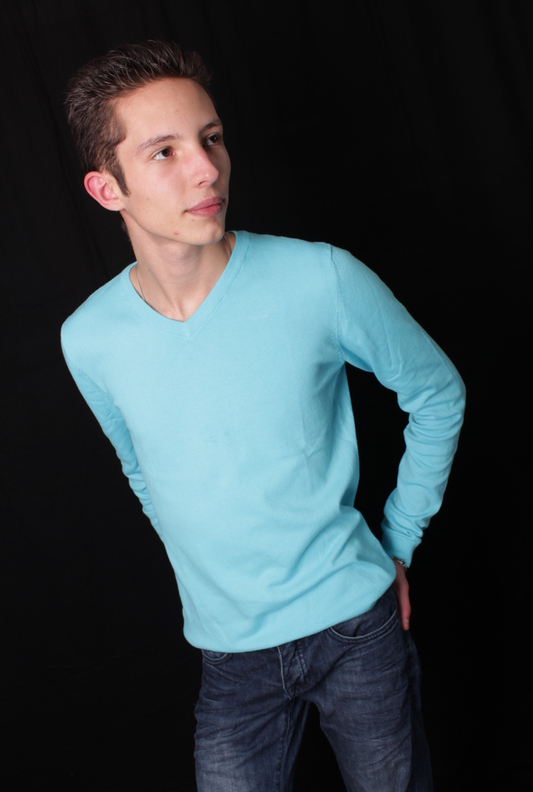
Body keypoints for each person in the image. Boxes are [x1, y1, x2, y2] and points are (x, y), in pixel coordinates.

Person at [61, 40, 465, 792]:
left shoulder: (320, 277)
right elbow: (141, 469)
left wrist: (398, 541)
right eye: (164, 152)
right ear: (106, 188)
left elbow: (437, 393)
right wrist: (215, 578)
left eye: (211, 138)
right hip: (229, 656)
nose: (206, 169)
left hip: (357, 628)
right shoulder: (87, 339)